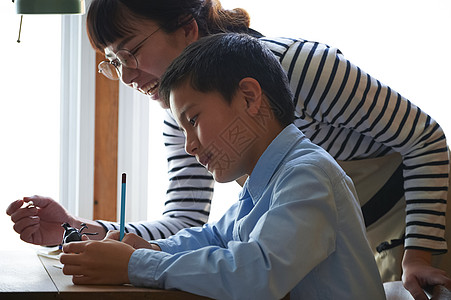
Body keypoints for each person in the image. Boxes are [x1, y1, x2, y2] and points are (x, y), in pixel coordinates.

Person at [5, 0, 451, 298]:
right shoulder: (252, 169)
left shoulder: (302, 141)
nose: (125, 76)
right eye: (114, 62)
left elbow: (424, 138)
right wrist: (91, 233)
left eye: (132, 51)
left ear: (186, 27)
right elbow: (200, 229)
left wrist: (420, 251)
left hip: (414, 220)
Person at [60, 33, 386, 299]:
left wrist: (137, 265)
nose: (189, 145)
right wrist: (152, 247)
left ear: (248, 97)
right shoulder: (263, 184)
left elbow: (254, 274)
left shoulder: (308, 176)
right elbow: (213, 238)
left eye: (194, 119)